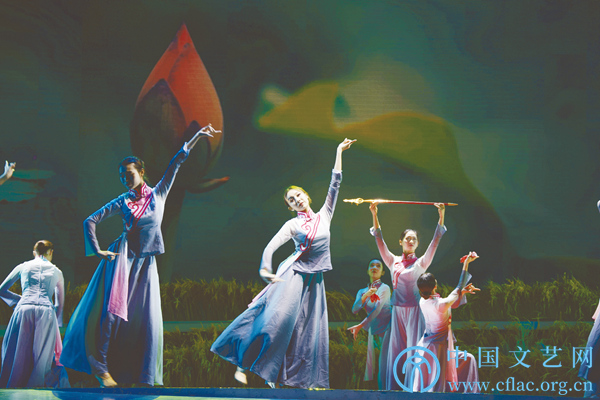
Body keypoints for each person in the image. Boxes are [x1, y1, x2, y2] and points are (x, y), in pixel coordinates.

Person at [60, 125, 216, 387]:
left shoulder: (158, 194)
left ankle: (142, 376)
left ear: (141, 172)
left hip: (146, 264)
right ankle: (101, 369)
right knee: (112, 314)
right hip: (123, 260)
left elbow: (176, 163)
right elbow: (90, 220)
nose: (125, 179)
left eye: (129, 174)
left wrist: (197, 137)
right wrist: (97, 250)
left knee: (145, 320)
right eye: (122, 176)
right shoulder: (123, 201)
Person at [211, 138, 356, 389]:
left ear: (306, 196)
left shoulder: (324, 215)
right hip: (293, 274)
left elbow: (335, 183)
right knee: (276, 322)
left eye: (298, 195)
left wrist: (338, 152)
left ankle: (278, 376)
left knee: (305, 332)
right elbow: (271, 246)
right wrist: (264, 268)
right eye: (291, 199)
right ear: (289, 207)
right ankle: (242, 363)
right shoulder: (293, 224)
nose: (296, 199)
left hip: (314, 280)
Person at [369, 200, 446, 389]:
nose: (410, 241)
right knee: (395, 351)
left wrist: (441, 215)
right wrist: (374, 214)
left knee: (415, 351)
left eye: (414, 239)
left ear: (417, 244)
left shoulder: (421, 263)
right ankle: (394, 389)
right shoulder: (392, 261)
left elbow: (435, 241)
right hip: (397, 313)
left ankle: (415, 388)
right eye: (407, 238)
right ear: (401, 241)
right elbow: (380, 241)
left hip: (415, 312)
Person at [0, 240, 69, 388]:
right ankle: (36, 387)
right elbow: (59, 303)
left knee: (19, 351)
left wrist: (20, 300)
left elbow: (2, 290)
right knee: (41, 356)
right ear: (50, 252)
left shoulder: (23, 266)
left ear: (34, 252)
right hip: (46, 311)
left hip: (24, 309)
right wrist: (57, 324)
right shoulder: (57, 272)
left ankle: (14, 385)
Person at [411, 252, 480, 393]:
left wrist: (461, 293)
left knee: (468, 359)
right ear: (435, 285)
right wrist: (466, 264)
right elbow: (458, 287)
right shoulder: (440, 304)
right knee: (437, 386)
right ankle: (470, 393)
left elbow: (449, 303)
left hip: (428, 346)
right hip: (438, 348)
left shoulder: (423, 301)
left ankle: (467, 393)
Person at [348, 259, 392, 389]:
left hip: (387, 328)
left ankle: (386, 392)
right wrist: (366, 295)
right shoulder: (362, 291)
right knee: (374, 365)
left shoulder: (384, 288)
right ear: (367, 270)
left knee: (385, 364)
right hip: (373, 329)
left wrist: (360, 325)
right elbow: (354, 310)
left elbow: (377, 310)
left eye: (378, 266)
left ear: (382, 272)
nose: (374, 267)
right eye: (371, 265)